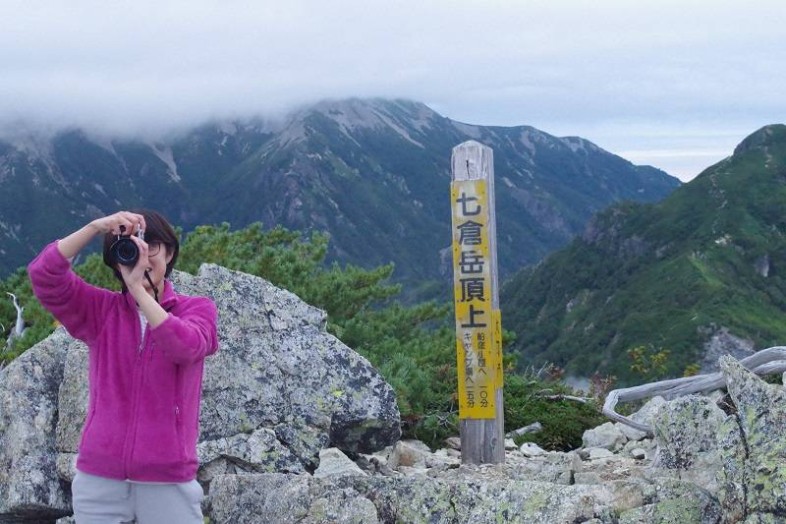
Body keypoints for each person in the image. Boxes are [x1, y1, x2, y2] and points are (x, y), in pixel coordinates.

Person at [28, 210, 219, 524]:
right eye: (131, 247)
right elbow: (44, 276)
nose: (144, 254)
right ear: (117, 259)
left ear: (170, 253)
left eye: (153, 246)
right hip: (100, 476)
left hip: (167, 478)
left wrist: (140, 292)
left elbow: (186, 347)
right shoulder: (101, 312)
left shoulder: (197, 309)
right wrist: (94, 227)